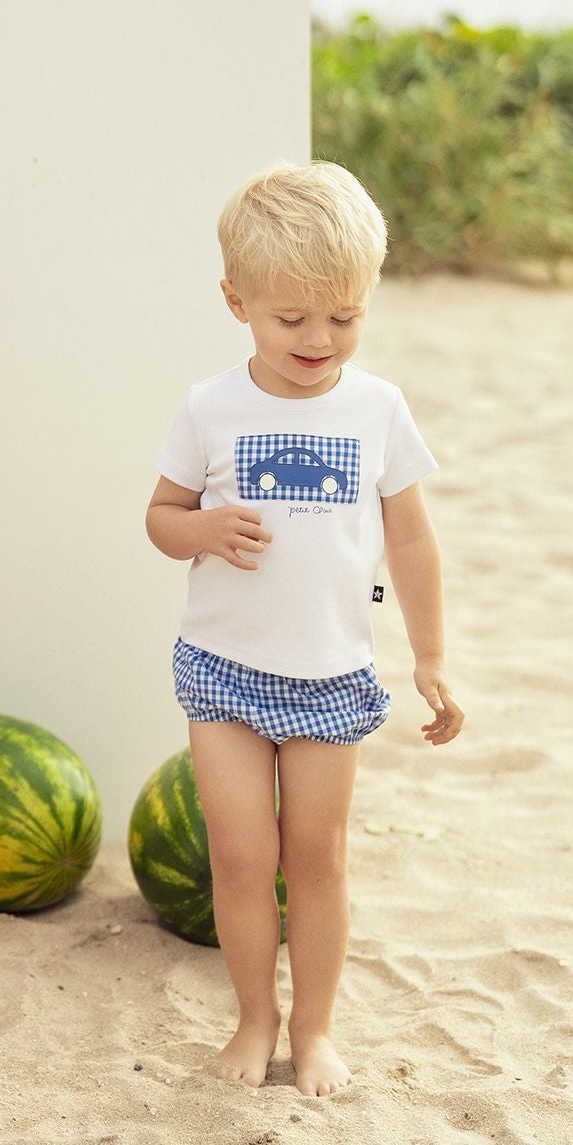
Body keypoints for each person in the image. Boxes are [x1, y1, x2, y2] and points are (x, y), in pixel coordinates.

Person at [145, 162, 463, 1097]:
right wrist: (197, 528)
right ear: (236, 301)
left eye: (344, 317)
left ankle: (315, 1030)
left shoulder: (376, 410)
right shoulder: (210, 408)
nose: (319, 341)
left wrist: (431, 656)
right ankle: (255, 1018)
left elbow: (409, 536)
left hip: (329, 674)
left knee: (315, 860)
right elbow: (159, 518)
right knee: (242, 860)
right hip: (222, 672)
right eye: (291, 320)